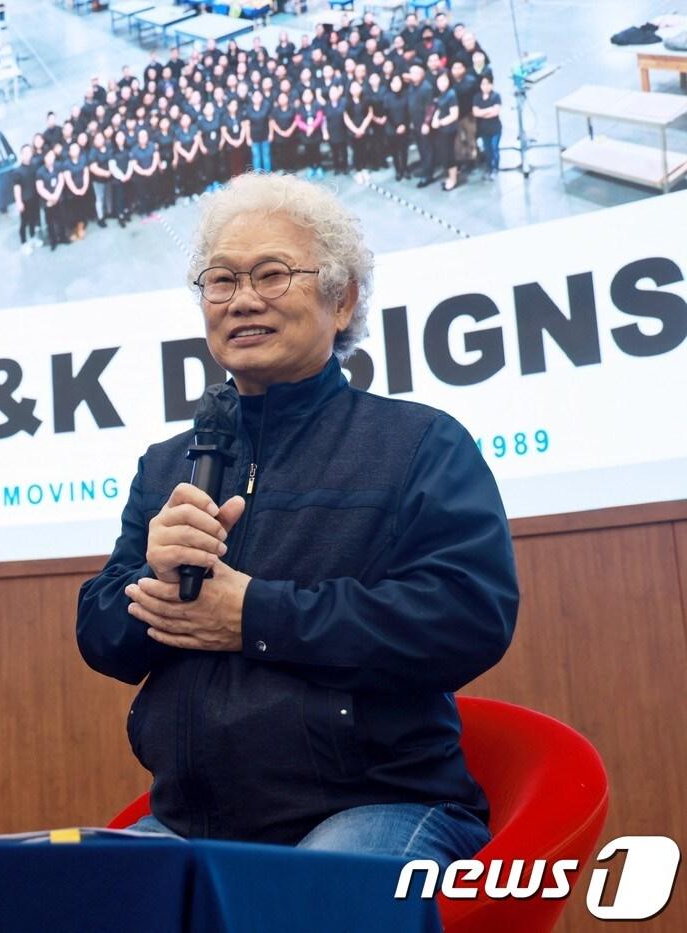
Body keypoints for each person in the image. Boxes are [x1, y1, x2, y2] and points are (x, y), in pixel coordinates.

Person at [76, 173, 517, 858]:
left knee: (303, 901)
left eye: (272, 274)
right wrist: (154, 582)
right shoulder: (169, 465)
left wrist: (255, 615)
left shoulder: (418, 444)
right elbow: (102, 636)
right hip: (196, 820)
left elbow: (466, 619)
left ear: (343, 300)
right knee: (65, 893)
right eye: (221, 280)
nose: (242, 299)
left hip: (375, 804)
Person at [420, 70, 459, 190]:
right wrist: (434, 119)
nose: (442, 83)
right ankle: (449, 177)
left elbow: (454, 115)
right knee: (444, 155)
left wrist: (440, 122)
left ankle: (453, 180)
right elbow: (438, 109)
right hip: (442, 130)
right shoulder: (441, 94)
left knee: (449, 155)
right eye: (440, 81)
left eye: (444, 80)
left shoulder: (451, 95)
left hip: (449, 130)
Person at [472, 73, 503, 180]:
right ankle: (489, 168)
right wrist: (489, 110)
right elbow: (476, 113)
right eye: (483, 84)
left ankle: (495, 168)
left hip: (495, 128)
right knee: (487, 150)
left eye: (487, 84)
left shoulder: (496, 96)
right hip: (483, 129)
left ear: (491, 85)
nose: (485, 86)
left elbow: (495, 112)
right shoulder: (477, 97)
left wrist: (483, 112)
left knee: (494, 148)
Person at [35, 148, 67, 250]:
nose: (51, 158)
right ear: (44, 158)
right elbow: (40, 188)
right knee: (50, 221)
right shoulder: (40, 171)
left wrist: (56, 195)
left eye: (52, 156)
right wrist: (51, 197)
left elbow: (61, 181)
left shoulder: (58, 166)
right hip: (47, 201)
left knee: (61, 218)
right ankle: (53, 241)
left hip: (59, 197)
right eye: (48, 156)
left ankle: (63, 237)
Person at [12, 143, 41, 254]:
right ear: (21, 154)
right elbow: (17, 188)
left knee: (33, 220)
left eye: (29, 152)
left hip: (35, 198)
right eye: (25, 153)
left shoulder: (34, 167)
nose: (27, 154)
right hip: (25, 200)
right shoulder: (18, 171)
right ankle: (24, 243)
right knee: (24, 223)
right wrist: (19, 202)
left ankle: (33, 238)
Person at [382, 74, 411, 180]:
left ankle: (405, 168)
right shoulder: (387, 97)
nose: (396, 84)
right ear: (390, 84)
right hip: (392, 128)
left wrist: (403, 125)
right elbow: (387, 113)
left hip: (404, 126)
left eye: (398, 81)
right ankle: (398, 170)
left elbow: (408, 111)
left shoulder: (406, 94)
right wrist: (397, 126)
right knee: (394, 151)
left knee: (404, 150)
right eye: (394, 82)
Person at [245, 87, 272, 173]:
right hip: (254, 137)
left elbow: (270, 121)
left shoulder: (266, 106)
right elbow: (247, 125)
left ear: (262, 97)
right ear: (252, 98)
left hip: (265, 135)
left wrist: (271, 133)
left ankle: (267, 174)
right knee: (256, 157)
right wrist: (248, 138)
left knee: (266, 156)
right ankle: (257, 175)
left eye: (259, 96)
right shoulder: (248, 109)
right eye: (255, 96)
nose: (257, 98)